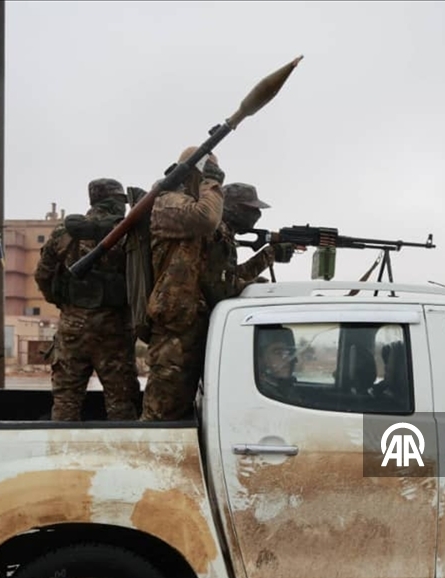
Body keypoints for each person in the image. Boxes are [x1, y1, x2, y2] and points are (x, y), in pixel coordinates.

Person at [34, 178, 141, 421]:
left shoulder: (64, 232)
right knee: (121, 402)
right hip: (113, 328)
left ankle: (61, 454)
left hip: (72, 327)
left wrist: (65, 303)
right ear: (116, 201)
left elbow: (43, 275)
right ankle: (123, 455)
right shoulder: (126, 232)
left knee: (66, 400)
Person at [140, 147, 225, 421]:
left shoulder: (189, 205)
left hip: (193, 322)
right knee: (161, 414)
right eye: (203, 176)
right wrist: (212, 181)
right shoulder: (166, 202)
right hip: (173, 326)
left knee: (184, 410)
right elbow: (206, 218)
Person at [201, 182, 294, 307]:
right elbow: (221, 290)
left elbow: (229, 276)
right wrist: (251, 286)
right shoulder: (218, 236)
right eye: (250, 209)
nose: (257, 214)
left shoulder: (223, 233)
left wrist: (269, 254)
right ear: (233, 208)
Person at [255, 325, 299, 403]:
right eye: (278, 352)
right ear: (260, 359)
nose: (286, 358)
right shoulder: (264, 392)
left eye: (288, 352)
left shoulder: (284, 387)